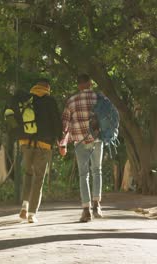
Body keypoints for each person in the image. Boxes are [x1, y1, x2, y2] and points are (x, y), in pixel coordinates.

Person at [4, 78, 62, 223]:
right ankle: (31, 214)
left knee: (28, 174)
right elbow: (57, 123)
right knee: (39, 178)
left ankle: (24, 206)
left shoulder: (25, 100)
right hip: (44, 145)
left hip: (25, 143)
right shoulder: (50, 101)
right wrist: (61, 142)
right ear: (47, 88)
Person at [59, 74, 104, 223]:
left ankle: (86, 210)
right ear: (90, 83)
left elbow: (64, 125)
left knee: (83, 175)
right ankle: (97, 205)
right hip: (97, 140)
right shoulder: (98, 97)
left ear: (78, 85)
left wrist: (62, 144)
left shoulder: (71, 101)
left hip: (79, 141)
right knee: (97, 171)